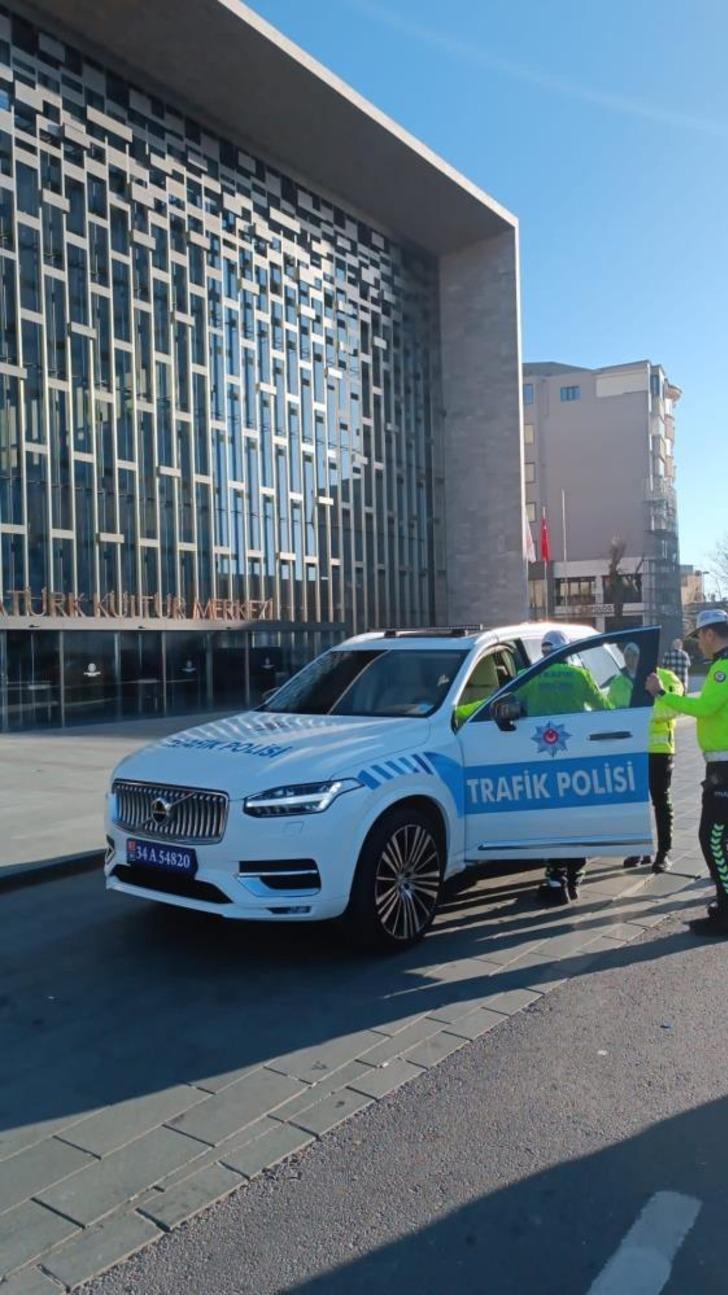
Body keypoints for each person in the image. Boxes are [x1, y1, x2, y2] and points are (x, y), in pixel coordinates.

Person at [646, 608, 728, 936]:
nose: (699, 645)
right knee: (718, 838)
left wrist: (662, 694)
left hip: (724, 769)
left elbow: (704, 708)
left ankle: (726, 912)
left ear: (710, 634)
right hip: (720, 767)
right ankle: (723, 906)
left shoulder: (723, 668)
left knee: (712, 839)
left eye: (700, 638)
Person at [523, 629, 610, 906]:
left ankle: (555, 879)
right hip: (575, 758)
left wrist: (460, 712)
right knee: (577, 815)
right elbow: (605, 709)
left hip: (542, 759)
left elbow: (503, 704)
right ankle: (575, 876)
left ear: (544, 651)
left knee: (551, 817)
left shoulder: (530, 677)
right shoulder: (581, 676)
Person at [608, 643, 683, 873]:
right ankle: (639, 849)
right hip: (631, 749)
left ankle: (664, 852)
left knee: (660, 801)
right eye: (628, 654)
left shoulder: (667, 677)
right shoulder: (618, 682)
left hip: (659, 749)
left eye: (636, 654)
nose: (631, 658)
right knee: (634, 802)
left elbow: (673, 709)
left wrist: (641, 715)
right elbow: (612, 713)